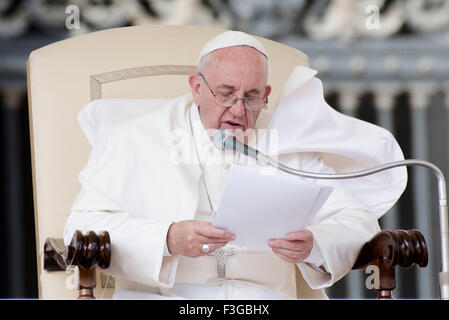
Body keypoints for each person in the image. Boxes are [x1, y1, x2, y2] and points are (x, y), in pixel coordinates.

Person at [64, 31, 406, 299]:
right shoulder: (137, 138)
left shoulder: (286, 137)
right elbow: (79, 228)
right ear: (197, 88)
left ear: (266, 92)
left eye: (252, 96)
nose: (239, 111)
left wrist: (316, 243)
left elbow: (356, 218)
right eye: (225, 94)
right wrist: (166, 238)